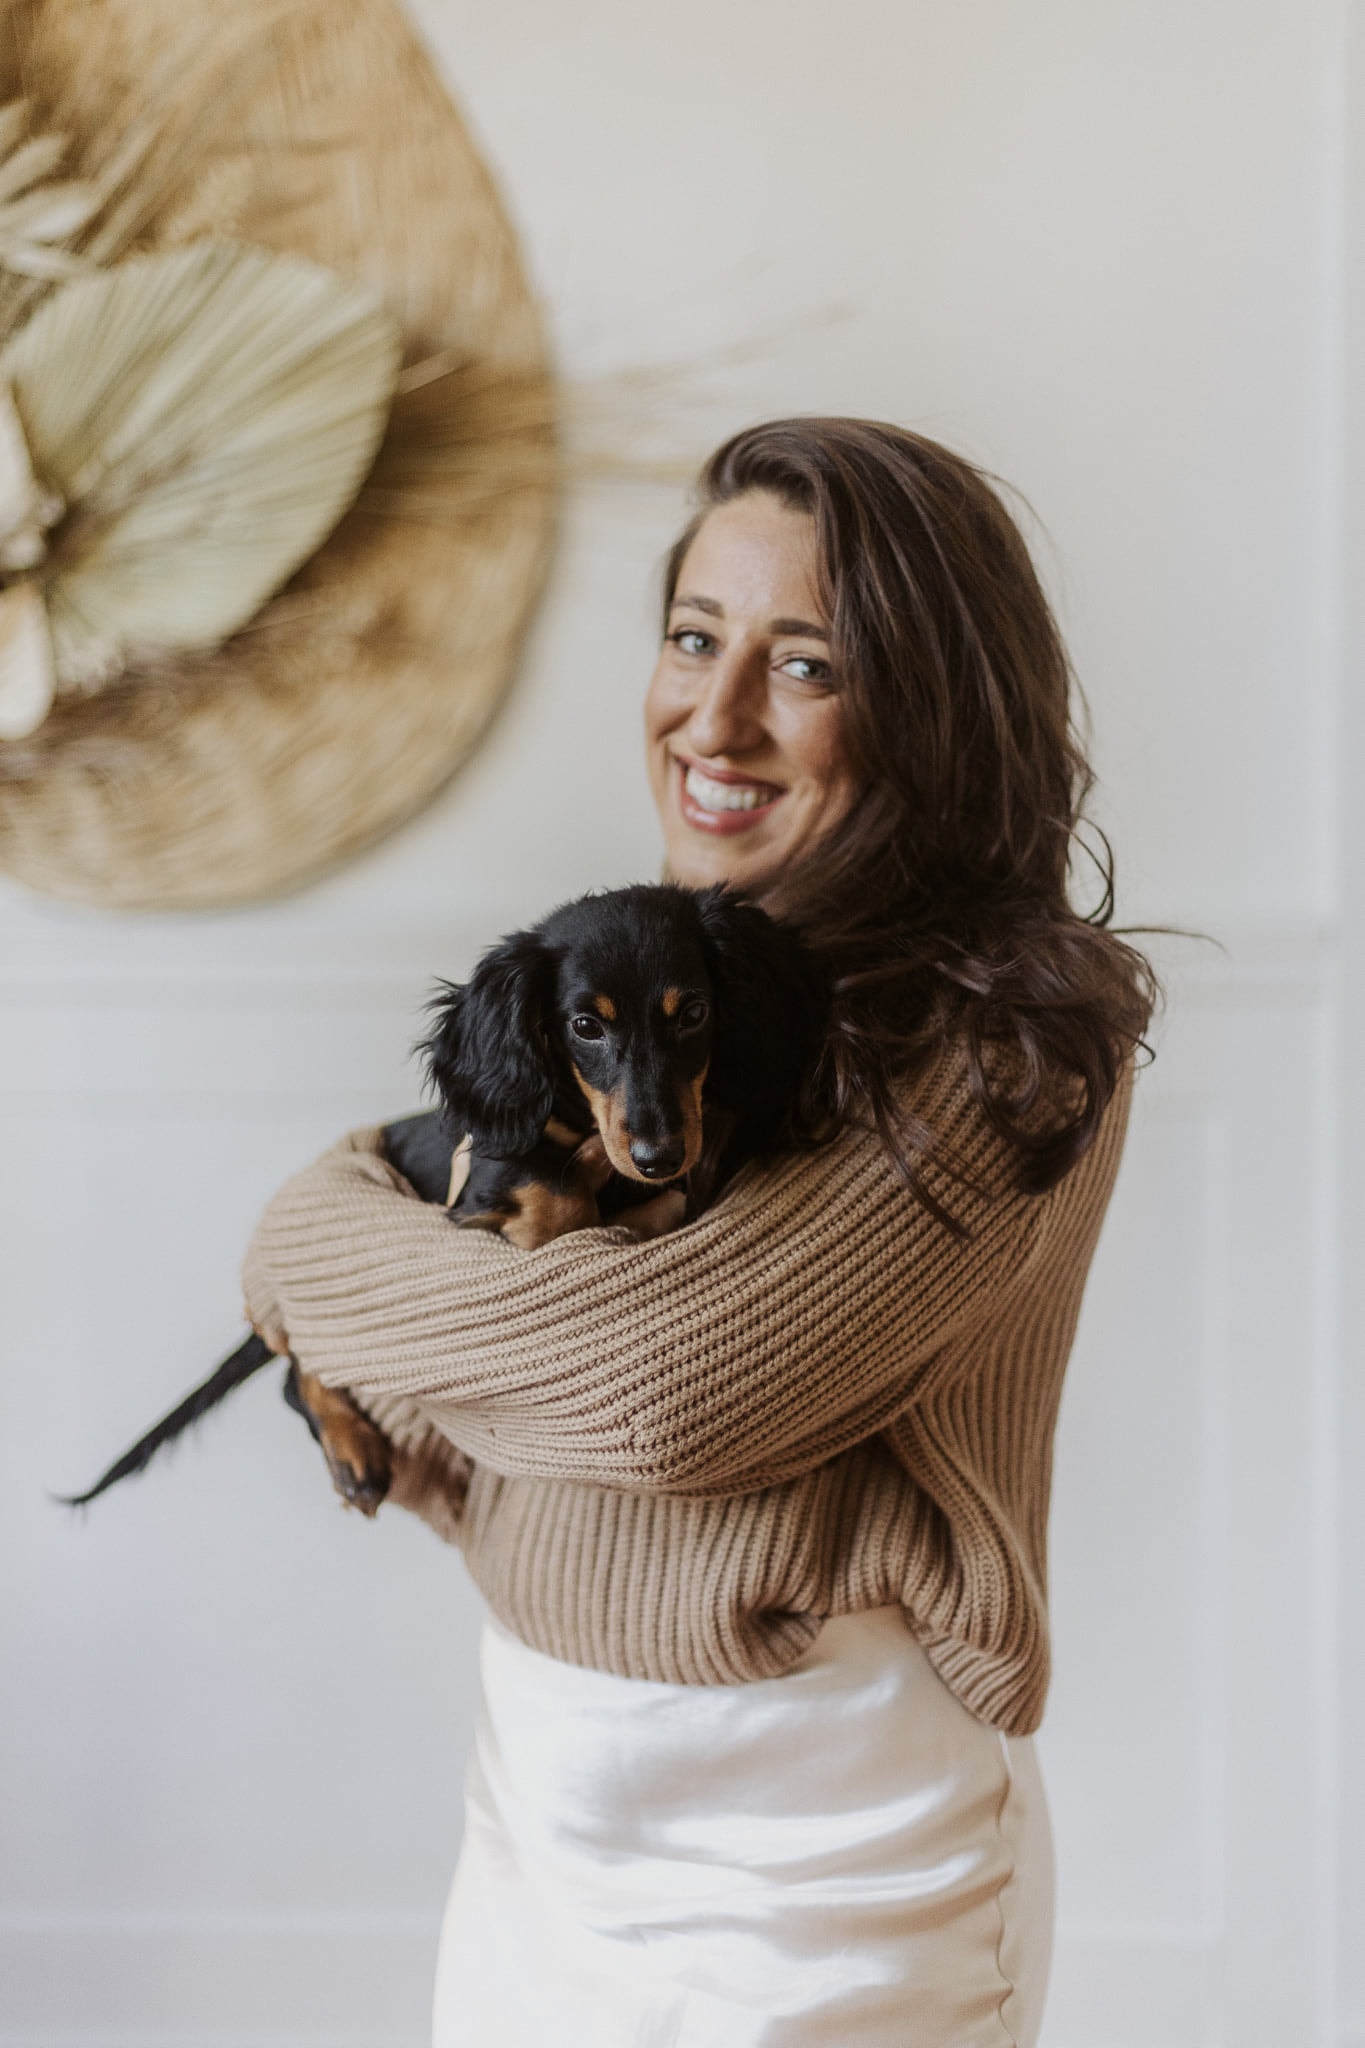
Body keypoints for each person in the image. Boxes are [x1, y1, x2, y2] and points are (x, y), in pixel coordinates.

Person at [243, 418, 1155, 2047]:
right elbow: (337, 1243)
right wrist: (316, 1241)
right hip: (533, 1800)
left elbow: (657, 1392)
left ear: (928, 705)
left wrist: (324, 1257)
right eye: (690, 638)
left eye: (802, 663)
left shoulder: (1000, 1037)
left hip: (824, 1862)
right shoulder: (633, 985)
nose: (711, 719)